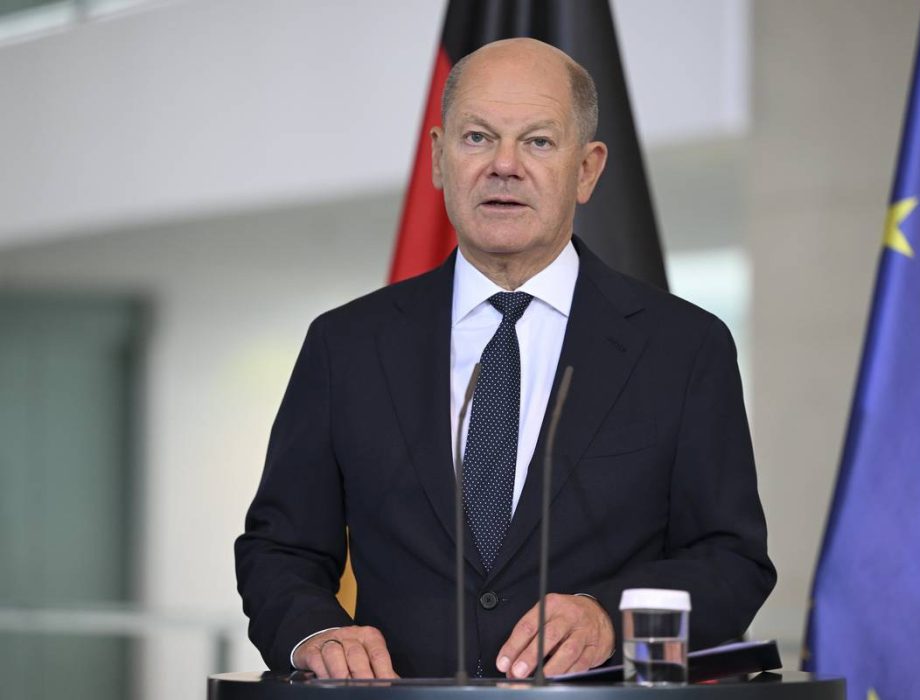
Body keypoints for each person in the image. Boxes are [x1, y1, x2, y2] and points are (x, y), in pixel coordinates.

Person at [235, 37, 775, 681]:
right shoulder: (345, 345)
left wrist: (609, 617)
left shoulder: (684, 347)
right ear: (439, 158)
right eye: (478, 138)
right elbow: (280, 548)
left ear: (587, 169)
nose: (504, 166)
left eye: (538, 141)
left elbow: (731, 560)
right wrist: (315, 631)